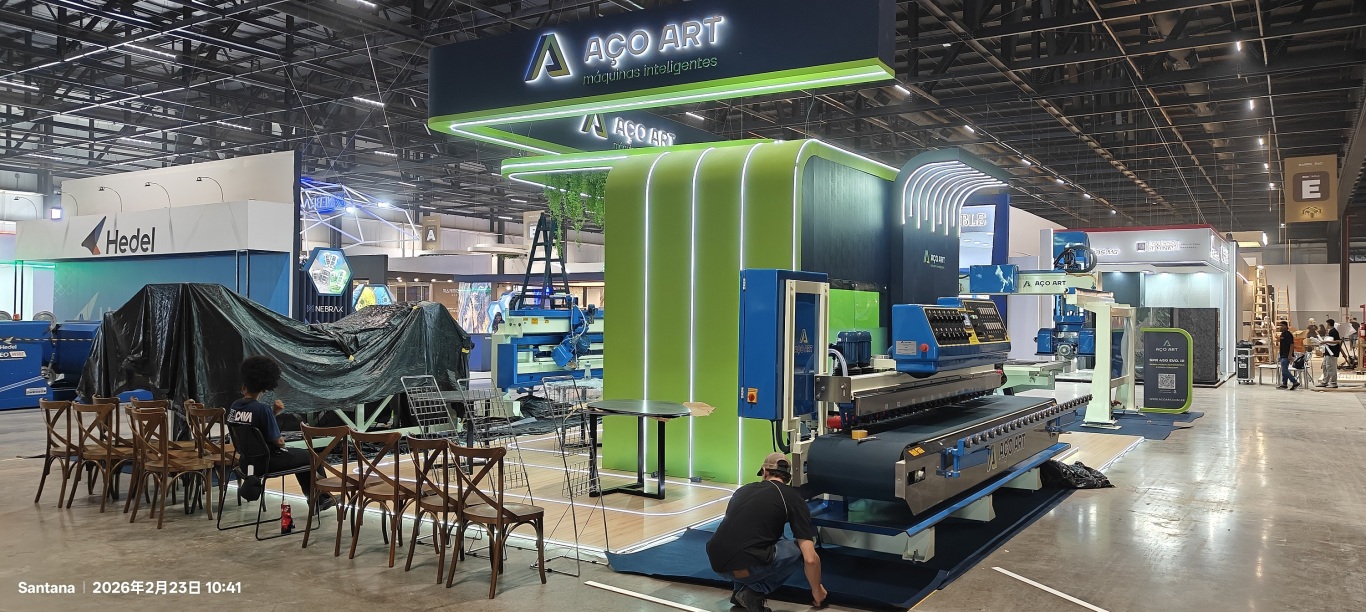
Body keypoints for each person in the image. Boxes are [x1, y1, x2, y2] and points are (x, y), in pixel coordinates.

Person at [707, 453, 826, 612]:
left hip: (717, 562)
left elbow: (737, 532)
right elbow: (810, 559)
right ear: (789, 477)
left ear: (764, 472)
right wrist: (817, 590)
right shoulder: (792, 498)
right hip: (748, 566)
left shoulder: (742, 490)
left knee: (751, 539)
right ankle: (754, 592)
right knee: (799, 551)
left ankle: (738, 592)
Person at [225, 355, 333, 510]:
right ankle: (320, 500)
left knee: (301, 458)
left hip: (246, 462)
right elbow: (278, 442)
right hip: (266, 463)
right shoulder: (262, 409)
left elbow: (251, 425)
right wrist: (279, 436)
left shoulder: (235, 406)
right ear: (265, 387)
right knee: (311, 457)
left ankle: (317, 500)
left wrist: (273, 413)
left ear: (245, 384)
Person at [1278, 321, 1299, 390]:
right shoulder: (1282, 334)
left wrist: (1290, 355)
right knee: (1284, 369)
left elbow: (1291, 345)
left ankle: (1294, 381)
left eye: (1281, 326)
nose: (1280, 327)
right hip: (1282, 354)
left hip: (1286, 355)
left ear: (1285, 326)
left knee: (1284, 370)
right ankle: (1284, 384)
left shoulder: (1288, 334)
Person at [1321, 318, 1342, 388]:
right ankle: (1325, 382)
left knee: (1331, 367)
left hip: (1332, 353)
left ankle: (1333, 383)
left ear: (1328, 324)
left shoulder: (1334, 331)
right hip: (1327, 352)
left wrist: (1326, 341)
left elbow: (1338, 341)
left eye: (1326, 324)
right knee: (1325, 367)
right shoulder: (1329, 332)